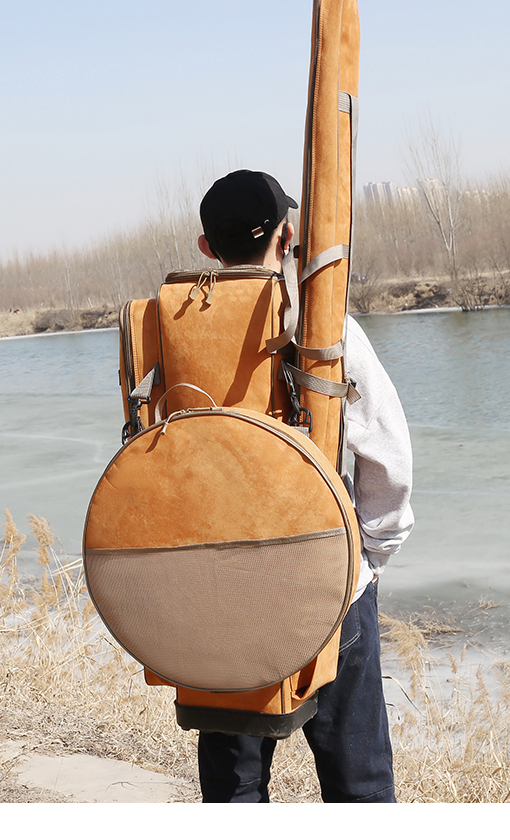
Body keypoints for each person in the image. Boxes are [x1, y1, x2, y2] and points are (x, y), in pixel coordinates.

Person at [195, 169, 414, 803]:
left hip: (217, 587)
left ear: (207, 248)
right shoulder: (322, 326)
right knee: (358, 784)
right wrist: (368, 556)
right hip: (327, 576)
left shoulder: (174, 329)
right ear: (289, 237)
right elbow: (387, 456)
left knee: (235, 788)